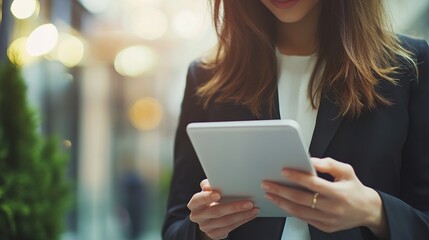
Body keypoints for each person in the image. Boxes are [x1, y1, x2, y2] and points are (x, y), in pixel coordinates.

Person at [162, 0, 429, 239]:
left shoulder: (410, 67)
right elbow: (175, 228)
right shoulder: (207, 77)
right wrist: (204, 230)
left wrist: (374, 211)